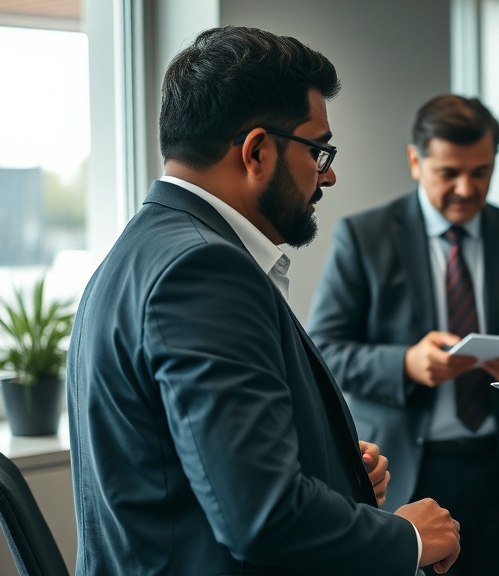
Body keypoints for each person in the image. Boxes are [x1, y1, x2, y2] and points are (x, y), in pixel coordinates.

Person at [66, 26, 460, 576]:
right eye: (319, 150)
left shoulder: (141, 249)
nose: (329, 175)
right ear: (256, 151)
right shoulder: (202, 271)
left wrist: (333, 470)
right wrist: (406, 537)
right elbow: (262, 518)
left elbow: (191, 467)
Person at [307, 94, 499, 576]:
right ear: (416, 161)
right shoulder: (364, 236)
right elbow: (324, 350)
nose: (467, 188)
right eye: (449, 172)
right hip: (408, 472)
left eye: (481, 171)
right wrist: (405, 364)